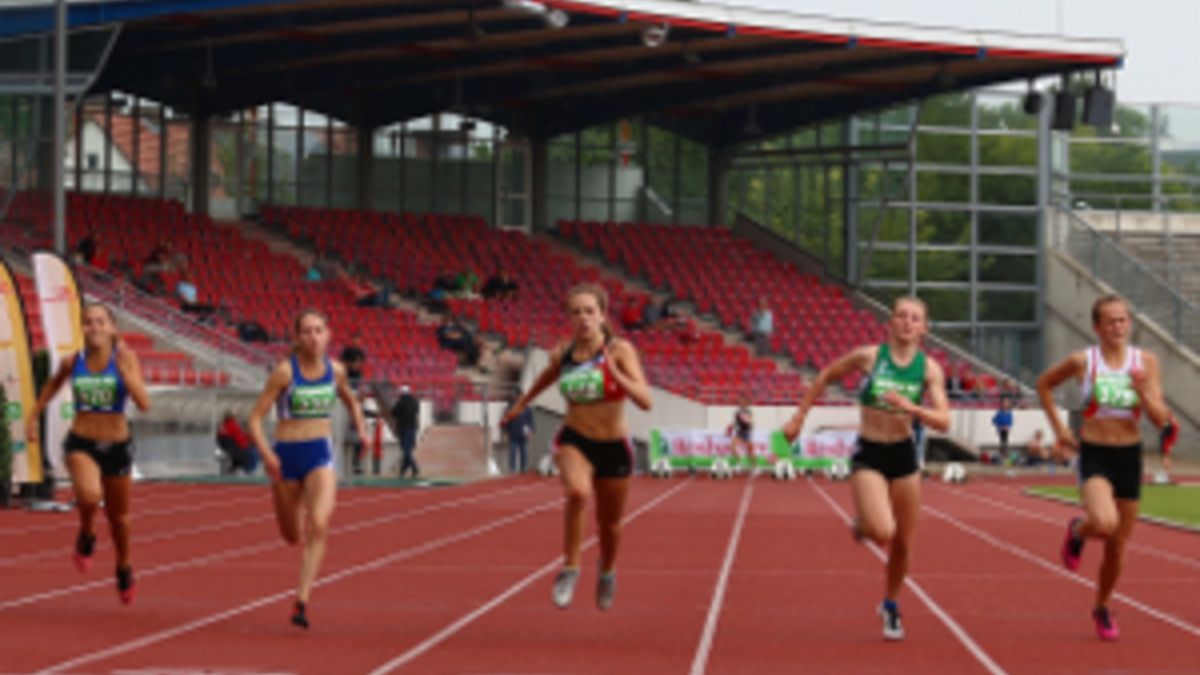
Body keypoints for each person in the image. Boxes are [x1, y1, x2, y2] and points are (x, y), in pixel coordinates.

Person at [782, 296, 950, 641]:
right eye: (901, 316)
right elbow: (827, 374)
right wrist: (799, 417)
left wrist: (911, 408)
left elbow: (944, 420)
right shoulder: (870, 357)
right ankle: (864, 524)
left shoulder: (929, 369)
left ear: (924, 328)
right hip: (870, 452)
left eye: (915, 318)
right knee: (883, 531)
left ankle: (890, 604)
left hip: (904, 456)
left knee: (903, 545)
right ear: (890, 323)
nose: (907, 322)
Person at [501, 283, 652, 611]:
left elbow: (645, 400)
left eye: (589, 311)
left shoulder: (620, 350)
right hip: (575, 439)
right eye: (576, 312)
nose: (583, 318)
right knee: (577, 493)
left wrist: (615, 374)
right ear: (569, 318)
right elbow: (546, 377)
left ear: (602, 315)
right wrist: (521, 404)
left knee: (611, 526)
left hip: (613, 445)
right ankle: (570, 568)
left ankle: (607, 571)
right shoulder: (563, 354)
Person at [1036, 294, 1177, 641]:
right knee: (1103, 522)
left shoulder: (1145, 362)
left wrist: (1143, 391)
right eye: (1111, 321)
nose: (1118, 327)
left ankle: (1102, 605)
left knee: (1117, 545)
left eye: (1123, 320)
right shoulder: (1084, 361)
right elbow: (1044, 385)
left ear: (1130, 324)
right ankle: (1078, 531)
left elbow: (1161, 419)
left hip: (1129, 455)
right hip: (1095, 453)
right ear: (1097, 327)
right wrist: (1060, 430)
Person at [247, 309, 367, 629]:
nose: (313, 337)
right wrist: (267, 455)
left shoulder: (336, 370)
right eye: (307, 332)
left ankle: (301, 601)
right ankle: (294, 502)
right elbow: (255, 418)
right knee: (291, 536)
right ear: (297, 338)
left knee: (319, 524)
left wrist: (362, 428)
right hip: (286, 457)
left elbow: (351, 400)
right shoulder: (285, 372)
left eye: (318, 331)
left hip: (319, 454)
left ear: (328, 335)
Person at [25, 304, 151, 605]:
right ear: (81, 328)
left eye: (100, 321)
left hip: (117, 445)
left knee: (120, 518)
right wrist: (34, 416)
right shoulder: (73, 361)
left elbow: (144, 403)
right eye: (88, 322)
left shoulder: (125, 358)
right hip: (82, 441)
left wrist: (126, 374)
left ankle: (124, 566)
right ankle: (87, 532)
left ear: (112, 327)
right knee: (90, 495)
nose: (94, 327)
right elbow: (52, 385)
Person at [391, 385, 420, 479]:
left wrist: (395, 428)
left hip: (403, 429)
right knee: (408, 450)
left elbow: (394, 414)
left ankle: (414, 467)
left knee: (406, 450)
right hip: (412, 428)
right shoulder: (414, 402)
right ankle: (403, 469)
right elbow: (417, 413)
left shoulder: (400, 403)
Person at [502, 391, 534, 473]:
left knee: (524, 452)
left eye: (523, 397)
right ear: (517, 397)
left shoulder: (527, 408)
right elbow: (505, 420)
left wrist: (531, 431)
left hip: (523, 434)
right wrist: (506, 431)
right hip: (513, 433)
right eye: (520, 397)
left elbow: (530, 421)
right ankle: (512, 468)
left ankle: (523, 468)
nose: (522, 398)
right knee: (512, 452)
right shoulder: (510, 407)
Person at [730, 396, 754, 473]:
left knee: (750, 450)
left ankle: (754, 466)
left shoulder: (748, 411)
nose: (741, 403)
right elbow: (735, 422)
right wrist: (730, 427)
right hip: (739, 432)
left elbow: (748, 421)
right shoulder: (737, 412)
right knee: (733, 446)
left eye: (743, 402)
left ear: (746, 403)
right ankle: (739, 463)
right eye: (740, 402)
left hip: (747, 432)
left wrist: (746, 421)